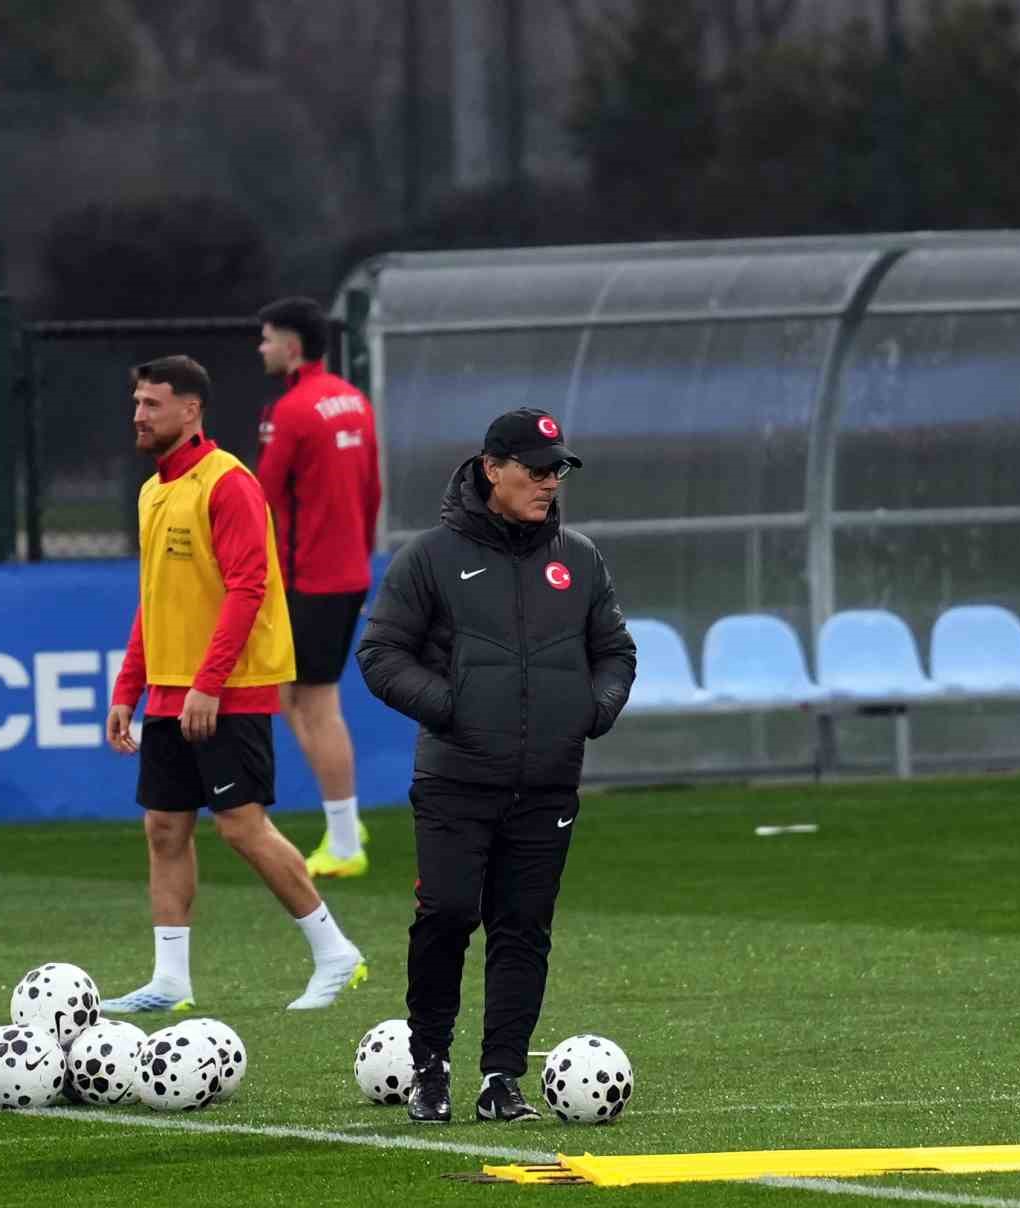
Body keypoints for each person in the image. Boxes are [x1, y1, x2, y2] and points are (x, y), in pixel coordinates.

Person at [355, 408, 637, 1124]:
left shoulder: (579, 558)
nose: (550, 482)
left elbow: (616, 652)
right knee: (446, 916)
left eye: (557, 470)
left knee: (522, 929)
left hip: (547, 783)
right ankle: (429, 1068)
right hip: (455, 778)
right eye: (537, 470)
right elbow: (380, 654)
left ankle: (501, 1077)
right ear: (493, 470)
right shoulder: (431, 558)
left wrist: (591, 710)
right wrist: (452, 707)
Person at [102, 354, 367, 1015]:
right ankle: (170, 982)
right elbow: (154, 599)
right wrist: (126, 690)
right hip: (170, 689)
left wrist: (209, 683)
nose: (138, 415)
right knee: (164, 827)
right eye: (136, 403)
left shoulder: (229, 483)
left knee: (242, 827)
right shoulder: (153, 491)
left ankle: (336, 954)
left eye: (151, 404)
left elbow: (250, 587)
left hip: (229, 689)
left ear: (191, 410)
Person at [256, 297, 381, 879]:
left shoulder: (292, 410)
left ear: (292, 345)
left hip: (309, 577)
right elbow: (372, 489)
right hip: (347, 569)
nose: (262, 348)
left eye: (268, 338)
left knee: (313, 703)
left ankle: (344, 840)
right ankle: (344, 820)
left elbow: (263, 499)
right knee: (293, 698)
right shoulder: (354, 402)